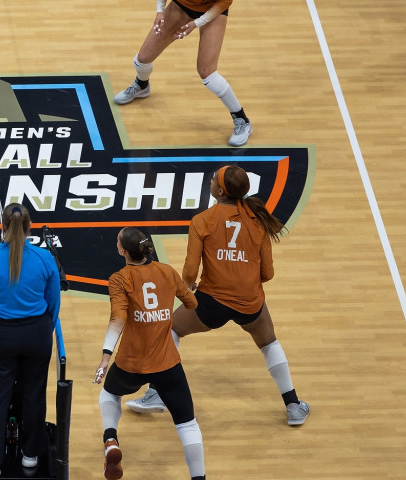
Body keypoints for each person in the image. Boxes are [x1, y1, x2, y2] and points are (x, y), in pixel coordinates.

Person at [126, 165, 310, 426]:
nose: (211, 180)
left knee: (170, 329)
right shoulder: (257, 220)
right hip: (250, 302)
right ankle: (293, 406)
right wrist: (242, 278)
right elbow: (267, 273)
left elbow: (190, 270)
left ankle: (156, 393)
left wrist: (185, 289)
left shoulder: (203, 220)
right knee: (269, 344)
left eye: (214, 179)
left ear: (220, 191)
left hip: (211, 303)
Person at [113, 0, 252, 147]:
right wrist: (160, 11)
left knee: (207, 72)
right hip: (182, 5)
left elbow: (226, 0)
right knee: (142, 58)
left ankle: (241, 119)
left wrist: (196, 23)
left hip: (212, 11)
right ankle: (141, 86)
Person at [93, 228, 204, 480]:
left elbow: (117, 319)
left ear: (122, 251)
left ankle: (111, 440)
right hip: (167, 365)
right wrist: (179, 289)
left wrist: (105, 357)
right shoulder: (167, 272)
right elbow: (192, 303)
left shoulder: (119, 279)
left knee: (109, 393)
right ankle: (199, 477)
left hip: (130, 364)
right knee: (187, 424)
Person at [0, 204, 61, 478]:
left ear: (2, 227)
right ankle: (31, 457)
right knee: (34, 393)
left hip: (0, 338)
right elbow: (53, 304)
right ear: (29, 228)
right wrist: (43, 328)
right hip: (36, 336)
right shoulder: (45, 259)